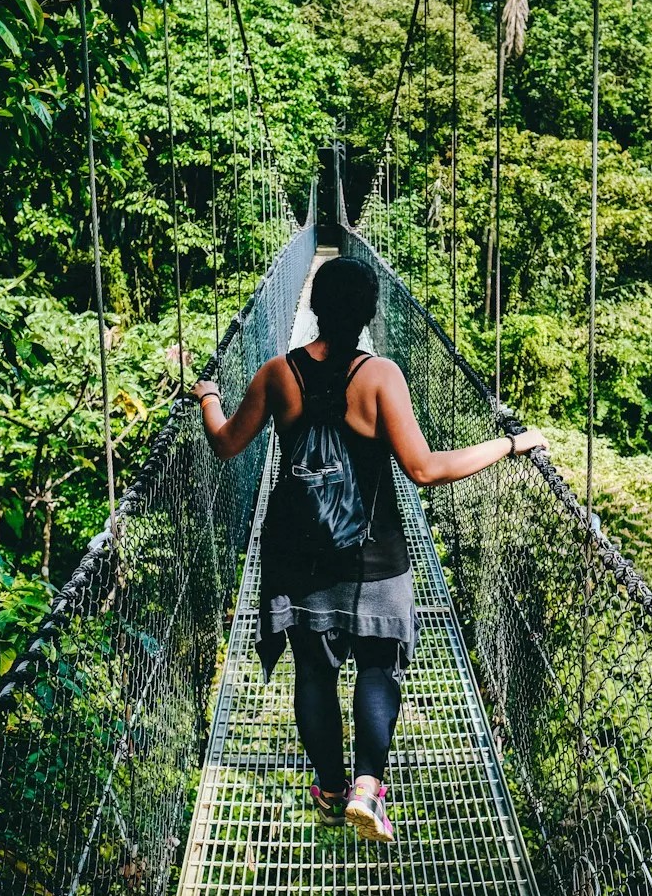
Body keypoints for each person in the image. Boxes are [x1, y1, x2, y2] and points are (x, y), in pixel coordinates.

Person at [190, 256, 545, 843]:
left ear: (310, 309)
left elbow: (227, 443)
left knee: (313, 672)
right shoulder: (381, 376)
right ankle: (365, 788)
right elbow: (425, 470)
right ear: (370, 313)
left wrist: (207, 396)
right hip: (375, 556)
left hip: (299, 555)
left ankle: (329, 790)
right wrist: (510, 445)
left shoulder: (279, 373)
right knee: (379, 665)